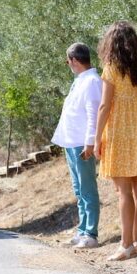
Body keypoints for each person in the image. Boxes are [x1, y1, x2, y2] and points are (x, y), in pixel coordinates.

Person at [94, 21, 137, 261]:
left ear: (111, 44)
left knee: (123, 193)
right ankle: (136, 242)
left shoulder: (110, 69)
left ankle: (125, 245)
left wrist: (96, 138)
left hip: (118, 136)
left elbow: (104, 105)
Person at [51, 43, 103, 250]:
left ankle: (91, 233)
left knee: (88, 188)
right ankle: (82, 230)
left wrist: (90, 143)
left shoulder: (91, 81)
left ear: (74, 60)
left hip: (82, 144)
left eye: (68, 61)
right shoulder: (80, 81)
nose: (68, 64)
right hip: (71, 142)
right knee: (79, 189)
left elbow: (94, 114)